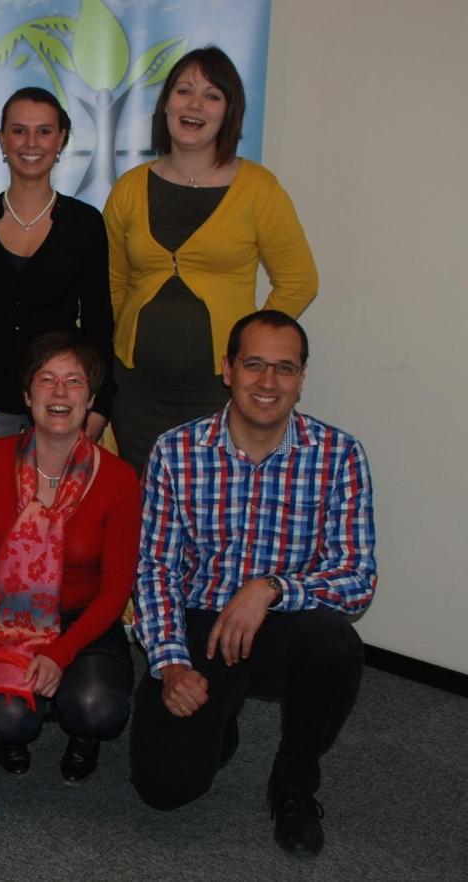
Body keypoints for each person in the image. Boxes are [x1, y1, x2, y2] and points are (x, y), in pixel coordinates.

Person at [131, 310, 376, 856]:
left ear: (302, 378)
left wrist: (271, 588)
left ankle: (293, 785)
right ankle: (221, 720)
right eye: (255, 365)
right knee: (165, 788)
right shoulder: (177, 450)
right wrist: (171, 664)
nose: (268, 382)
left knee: (337, 647)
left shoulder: (339, 456)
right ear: (228, 369)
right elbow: (155, 570)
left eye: (285, 368)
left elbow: (357, 577)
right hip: (200, 624)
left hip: (286, 627)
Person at [0, 333, 140, 783]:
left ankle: (79, 730)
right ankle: (18, 728)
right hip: (7, 615)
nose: (60, 392)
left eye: (73, 381)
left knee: (97, 709)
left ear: (90, 399)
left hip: (85, 621)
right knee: (2, 721)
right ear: (28, 397)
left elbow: (116, 587)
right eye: (46, 381)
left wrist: (61, 652)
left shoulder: (119, 480)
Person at [103, 46, 317, 475]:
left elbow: (299, 281)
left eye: (212, 95)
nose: (194, 104)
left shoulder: (259, 188)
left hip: (216, 392)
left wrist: (251, 354)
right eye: (183, 91)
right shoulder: (128, 188)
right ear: (165, 104)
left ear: (229, 110)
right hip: (136, 391)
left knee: (212, 510)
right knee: (139, 510)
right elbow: (113, 282)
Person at [0, 86, 115, 601]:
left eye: (44, 130)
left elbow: (100, 324)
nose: (31, 142)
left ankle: (52, 645)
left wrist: (99, 408)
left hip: (62, 408)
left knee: (60, 537)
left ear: (61, 139)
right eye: (18, 130)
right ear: (1, 140)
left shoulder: (86, 224)